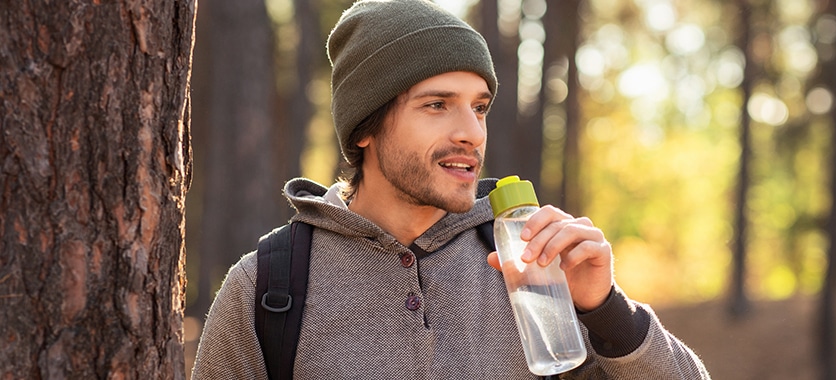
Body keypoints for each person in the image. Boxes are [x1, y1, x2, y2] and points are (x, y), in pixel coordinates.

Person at [192, 0, 710, 379]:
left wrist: (605, 308)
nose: (471, 132)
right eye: (437, 104)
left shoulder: (531, 264)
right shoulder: (266, 287)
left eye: (479, 106)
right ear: (364, 129)